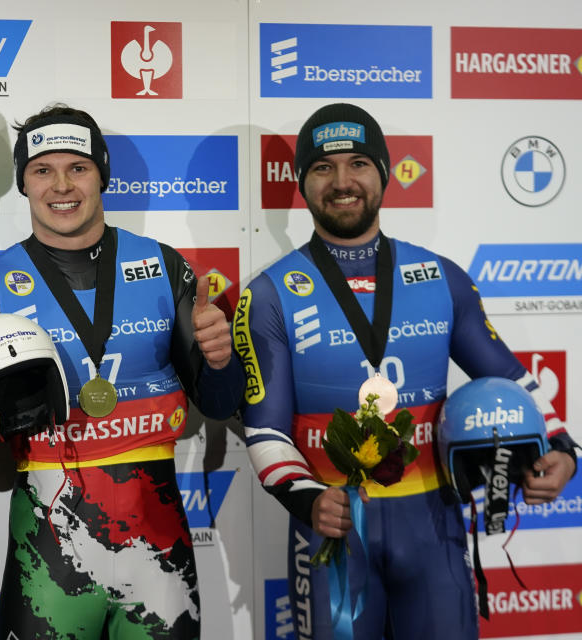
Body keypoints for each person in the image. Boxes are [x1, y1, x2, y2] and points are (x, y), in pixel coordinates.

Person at [235, 102, 578, 639]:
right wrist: (306, 498)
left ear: (385, 173)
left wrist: (560, 448)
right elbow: (266, 429)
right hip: (332, 533)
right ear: (301, 182)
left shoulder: (442, 278)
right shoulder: (269, 294)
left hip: (433, 529)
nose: (342, 181)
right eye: (323, 167)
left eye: (359, 164)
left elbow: (515, 380)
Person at [0, 105, 245, 640]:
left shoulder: (165, 267)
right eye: (42, 170)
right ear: (23, 184)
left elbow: (217, 403)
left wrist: (221, 360)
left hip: (159, 555)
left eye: (77, 167)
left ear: (103, 173)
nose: (61, 186)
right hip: (49, 560)